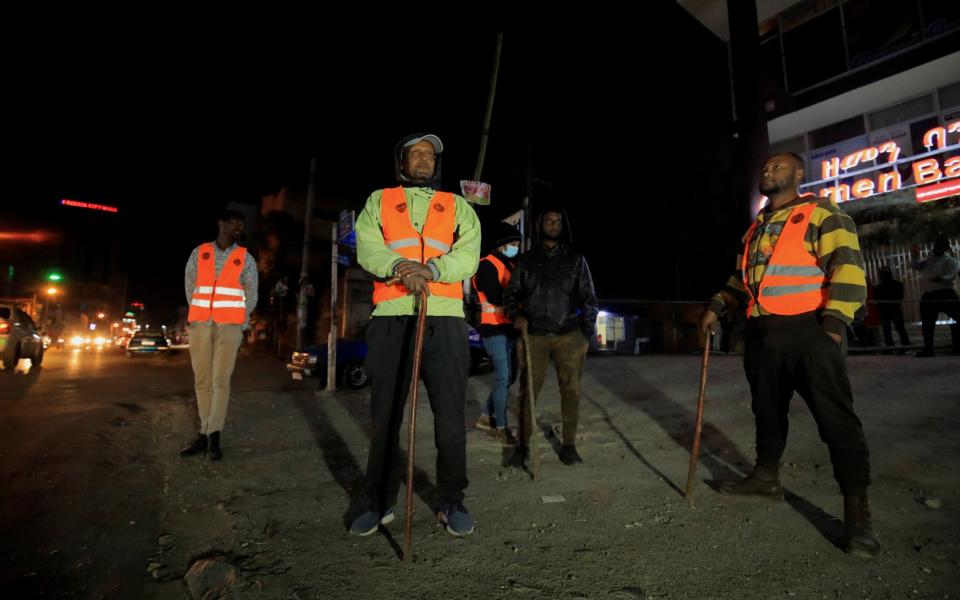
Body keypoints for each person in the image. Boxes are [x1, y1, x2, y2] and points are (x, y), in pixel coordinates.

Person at [698, 152, 879, 558]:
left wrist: (832, 328)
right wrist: (715, 306)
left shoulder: (821, 213)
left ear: (799, 174)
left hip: (809, 331)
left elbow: (847, 269)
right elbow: (741, 280)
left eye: (778, 167)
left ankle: (858, 517)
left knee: (836, 421)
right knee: (767, 413)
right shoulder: (756, 230)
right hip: (763, 334)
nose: (767, 170)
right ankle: (766, 479)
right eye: (764, 167)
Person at [350, 133, 481, 538]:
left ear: (436, 164)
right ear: (402, 163)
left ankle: (451, 500)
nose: (423, 159)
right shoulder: (380, 200)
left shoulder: (458, 206)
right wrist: (402, 267)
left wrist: (434, 270)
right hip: (393, 317)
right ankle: (379, 501)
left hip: (445, 318)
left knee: (450, 418)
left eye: (429, 154)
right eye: (415, 154)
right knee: (386, 416)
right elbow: (367, 246)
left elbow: (469, 252)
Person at [503, 207, 598, 467]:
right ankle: (522, 447)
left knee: (571, 391)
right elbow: (510, 296)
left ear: (563, 226)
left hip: (569, 335)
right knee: (527, 393)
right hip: (534, 335)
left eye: (557, 221)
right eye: (548, 220)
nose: (553, 225)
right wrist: (516, 316)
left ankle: (568, 445)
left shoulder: (576, 259)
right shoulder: (525, 261)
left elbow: (589, 299)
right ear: (539, 225)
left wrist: (585, 334)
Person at [180, 209, 259, 462]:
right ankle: (203, 433)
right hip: (201, 324)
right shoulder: (200, 252)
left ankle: (214, 436)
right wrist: (196, 316)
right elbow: (190, 285)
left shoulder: (245, 258)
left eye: (241, 224)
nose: (238, 227)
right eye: (234, 222)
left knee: (220, 382)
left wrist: (241, 321)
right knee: (201, 381)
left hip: (230, 326)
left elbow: (252, 292)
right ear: (220, 223)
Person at [472, 221, 522, 447]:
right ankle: (501, 428)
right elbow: (495, 295)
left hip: (508, 329)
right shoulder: (486, 265)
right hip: (493, 329)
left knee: (509, 377)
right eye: (513, 243)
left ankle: (485, 416)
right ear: (501, 245)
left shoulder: (509, 265)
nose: (516, 247)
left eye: (518, 244)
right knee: (503, 376)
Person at [911, 238, 960, 357]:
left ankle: (958, 346)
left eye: (940, 245)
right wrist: (914, 255)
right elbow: (916, 266)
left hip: (945, 292)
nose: (936, 248)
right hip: (929, 294)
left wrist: (941, 278)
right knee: (927, 324)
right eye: (936, 245)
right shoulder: (929, 260)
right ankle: (928, 349)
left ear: (946, 248)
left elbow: (952, 274)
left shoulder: (950, 260)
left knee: (958, 318)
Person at [873, 266, 909, 351]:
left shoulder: (897, 285)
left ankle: (905, 347)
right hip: (885, 310)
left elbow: (899, 297)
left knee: (899, 329)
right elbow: (875, 299)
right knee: (887, 331)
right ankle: (891, 347)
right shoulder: (879, 288)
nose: (883, 275)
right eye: (882, 273)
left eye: (885, 272)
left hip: (894, 309)